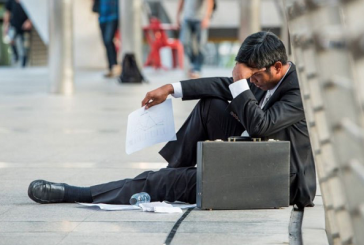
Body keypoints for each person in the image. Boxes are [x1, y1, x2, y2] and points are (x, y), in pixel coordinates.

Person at [28, 31, 316, 209]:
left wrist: (241, 82)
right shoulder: (269, 77)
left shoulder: (300, 90)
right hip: (257, 155)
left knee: (165, 182)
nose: (252, 82)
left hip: (275, 181)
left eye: (255, 77)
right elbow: (222, 86)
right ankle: (172, 172)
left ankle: (79, 194)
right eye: (248, 77)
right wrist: (171, 89)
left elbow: (260, 126)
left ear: (278, 67)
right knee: (211, 105)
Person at [177, 0, 214, 79]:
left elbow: (210, 2)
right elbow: (181, 2)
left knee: (200, 46)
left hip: (200, 19)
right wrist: (177, 16)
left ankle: (197, 69)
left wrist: (207, 18)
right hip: (187, 19)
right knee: (185, 42)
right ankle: (193, 64)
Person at [95, 0, 121, 78]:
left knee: (108, 40)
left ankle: (114, 65)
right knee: (106, 43)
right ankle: (111, 67)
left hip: (113, 17)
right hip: (102, 18)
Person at [2, 0, 32, 67]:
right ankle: (16, 55)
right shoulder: (10, 2)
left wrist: (29, 21)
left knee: (25, 46)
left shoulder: (28, 2)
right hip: (13, 25)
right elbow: (7, 14)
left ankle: (24, 62)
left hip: (25, 27)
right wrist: (5, 28)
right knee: (10, 38)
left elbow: (34, 13)